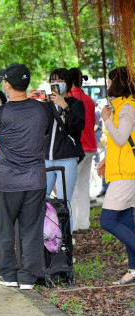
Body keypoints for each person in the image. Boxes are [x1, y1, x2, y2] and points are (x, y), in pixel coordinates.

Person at [0, 63, 52, 290]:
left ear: (7, 85)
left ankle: (8, 275)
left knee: (5, 229)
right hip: (35, 179)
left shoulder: (0, 114)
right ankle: (28, 278)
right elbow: (45, 131)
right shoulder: (43, 110)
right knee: (32, 230)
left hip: (7, 181)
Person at [97, 66, 135, 285]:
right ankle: (133, 270)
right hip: (121, 170)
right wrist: (106, 160)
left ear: (118, 83)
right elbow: (121, 143)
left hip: (125, 174)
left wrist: (106, 119)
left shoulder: (127, 108)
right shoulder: (121, 106)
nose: (109, 86)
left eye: (111, 81)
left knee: (108, 220)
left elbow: (121, 138)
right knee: (126, 222)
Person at [38, 67, 85, 232]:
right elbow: (40, 128)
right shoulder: (47, 105)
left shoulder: (76, 104)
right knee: (40, 199)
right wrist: (34, 104)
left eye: (59, 81)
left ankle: (66, 246)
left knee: (63, 202)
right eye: (52, 81)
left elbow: (77, 127)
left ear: (68, 83)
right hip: (47, 158)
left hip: (67, 158)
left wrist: (65, 106)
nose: (55, 84)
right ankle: (47, 238)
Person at [68, 68, 97, 231]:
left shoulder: (69, 100)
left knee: (70, 187)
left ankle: (71, 225)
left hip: (76, 147)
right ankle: (83, 223)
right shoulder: (89, 100)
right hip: (90, 145)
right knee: (83, 186)